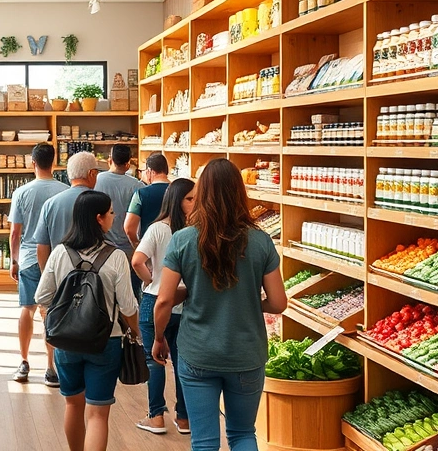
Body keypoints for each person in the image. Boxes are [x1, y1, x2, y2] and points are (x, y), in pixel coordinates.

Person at [152, 159, 287, 451]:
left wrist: (159, 337)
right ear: (240, 193)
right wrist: (248, 301)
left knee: (205, 441)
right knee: (242, 434)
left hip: (197, 352)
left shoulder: (183, 240)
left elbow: (163, 299)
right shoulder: (261, 241)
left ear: (202, 194)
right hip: (246, 354)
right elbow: (278, 303)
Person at [34, 190, 140, 451]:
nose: (115, 217)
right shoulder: (115, 257)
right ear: (99, 218)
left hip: (66, 341)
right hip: (107, 340)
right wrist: (136, 332)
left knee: (72, 404)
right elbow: (127, 306)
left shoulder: (60, 253)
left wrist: (55, 322)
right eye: (112, 213)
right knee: (97, 414)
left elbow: (42, 296)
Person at [130, 178, 195, 436]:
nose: (195, 203)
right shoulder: (195, 231)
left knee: (154, 361)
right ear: (177, 200)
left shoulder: (158, 229)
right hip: (185, 303)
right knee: (182, 362)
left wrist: (152, 281)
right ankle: (184, 418)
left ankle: (156, 417)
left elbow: (137, 261)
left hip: (155, 302)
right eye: (190, 199)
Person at [8, 143, 68, 384]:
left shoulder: (22, 193)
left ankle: (23, 363)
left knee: (27, 308)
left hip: (30, 258)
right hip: (59, 259)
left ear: (33, 162)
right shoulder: (65, 190)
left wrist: (14, 261)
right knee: (53, 311)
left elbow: (15, 232)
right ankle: (51, 368)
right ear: (54, 162)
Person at [33, 150, 99, 271]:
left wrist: (46, 275)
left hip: (60, 272)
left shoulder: (50, 204)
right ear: (92, 173)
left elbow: (42, 246)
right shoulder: (99, 202)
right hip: (92, 274)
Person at [92, 144, 145, 296]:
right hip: (129, 247)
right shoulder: (137, 186)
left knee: (104, 293)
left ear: (110, 160)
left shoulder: (96, 181)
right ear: (128, 164)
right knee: (130, 293)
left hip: (101, 247)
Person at [124, 152, 170, 249]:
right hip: (174, 246)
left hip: (149, 247)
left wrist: (137, 244)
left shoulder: (141, 194)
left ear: (150, 171)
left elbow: (129, 228)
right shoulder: (180, 192)